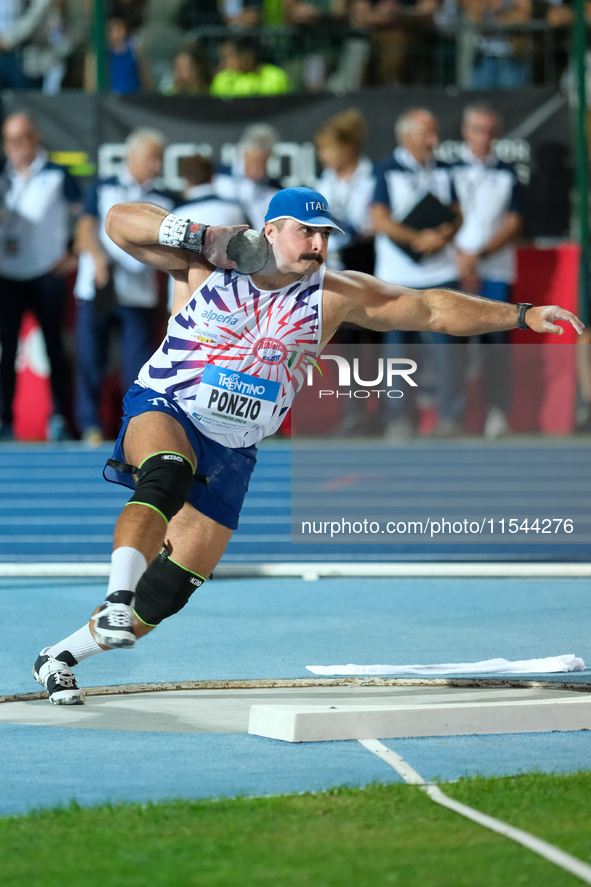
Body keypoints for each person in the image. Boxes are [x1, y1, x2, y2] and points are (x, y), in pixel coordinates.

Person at [33, 185, 583, 704]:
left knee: (171, 591)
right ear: (270, 230)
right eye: (307, 231)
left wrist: (522, 314)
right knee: (167, 473)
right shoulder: (208, 264)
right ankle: (116, 597)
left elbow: (432, 308)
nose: (319, 245)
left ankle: (58, 655)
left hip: (235, 449)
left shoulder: (335, 296)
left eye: (327, 235)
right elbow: (118, 224)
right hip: (167, 406)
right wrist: (202, 236)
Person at [73, 128, 175, 445]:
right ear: (131, 157)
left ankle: (136, 427)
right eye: (151, 158)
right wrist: (98, 258)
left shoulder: (166, 198)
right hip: (99, 288)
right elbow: (85, 226)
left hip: (139, 293)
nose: (156, 165)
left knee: (139, 365)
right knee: (91, 358)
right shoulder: (103, 187)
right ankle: (90, 425)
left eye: (160, 158)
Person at [371, 107, 461, 438]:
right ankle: (397, 418)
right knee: (397, 352)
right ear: (407, 136)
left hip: (441, 273)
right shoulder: (386, 170)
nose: (434, 141)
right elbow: (379, 220)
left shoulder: (446, 170)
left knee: (447, 349)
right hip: (397, 277)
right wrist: (418, 239)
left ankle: (451, 416)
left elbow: (457, 214)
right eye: (427, 134)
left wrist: (444, 236)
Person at [0, 111, 80, 442]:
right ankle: (4, 420)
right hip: (7, 274)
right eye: (8, 140)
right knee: (6, 349)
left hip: (47, 272)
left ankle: (60, 416)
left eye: (20, 139)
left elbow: (84, 214)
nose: (14, 147)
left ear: (35, 137)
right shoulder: (2, 175)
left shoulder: (58, 174)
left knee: (53, 347)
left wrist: (74, 253)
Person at [452, 102, 523, 438]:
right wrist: (461, 259)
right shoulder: (447, 171)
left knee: (496, 343)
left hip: (494, 270)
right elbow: (444, 219)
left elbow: (513, 222)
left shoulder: (509, 173)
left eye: (490, 131)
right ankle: (452, 415)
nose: (485, 137)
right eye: (478, 130)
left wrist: (477, 257)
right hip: (453, 268)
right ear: (466, 132)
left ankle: (497, 412)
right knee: (452, 342)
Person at [214, 123, 281, 231]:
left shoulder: (275, 190)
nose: (258, 169)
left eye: (263, 162)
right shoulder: (217, 177)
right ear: (243, 153)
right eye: (254, 161)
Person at [209, 35, 292, 97]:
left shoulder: (276, 76)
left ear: (247, 56)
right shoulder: (222, 79)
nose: (223, 62)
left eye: (227, 57)